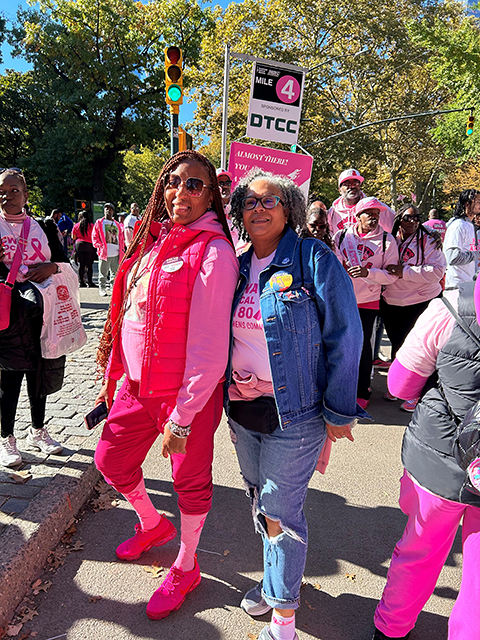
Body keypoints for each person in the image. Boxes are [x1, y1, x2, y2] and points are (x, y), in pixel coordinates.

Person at [94, 150, 238, 620]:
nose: (180, 191)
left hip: (184, 398)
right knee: (110, 459)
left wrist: (183, 416)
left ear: (211, 196)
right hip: (137, 388)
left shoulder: (214, 251)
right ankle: (152, 524)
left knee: (188, 484)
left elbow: (210, 345)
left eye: (194, 184)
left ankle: (186, 565)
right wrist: (113, 375)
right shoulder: (152, 242)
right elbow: (129, 315)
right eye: (173, 181)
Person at [226, 169, 366, 640]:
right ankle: (273, 584)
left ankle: (283, 616)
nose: (258, 209)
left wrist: (339, 409)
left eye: (269, 201)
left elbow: (346, 334)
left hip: (297, 412)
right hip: (243, 409)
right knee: (258, 499)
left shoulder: (313, 257)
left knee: (280, 511)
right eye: (249, 202)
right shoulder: (238, 266)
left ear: (289, 209)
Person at [372, 277, 480, 640]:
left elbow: (399, 385)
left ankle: (391, 629)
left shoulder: (451, 307)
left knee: (419, 550)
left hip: (441, 456)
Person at [0, 169, 67, 467]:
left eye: (14, 190)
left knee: (40, 374)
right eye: (2, 191)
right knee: (10, 376)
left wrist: (51, 267)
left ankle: (38, 431)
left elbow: (63, 263)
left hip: (44, 312)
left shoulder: (43, 227)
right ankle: (7, 438)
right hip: (9, 316)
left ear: (26, 195)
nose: (7, 196)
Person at [333, 196, 398, 408]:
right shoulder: (341, 236)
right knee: (340, 345)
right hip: (342, 298)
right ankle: (341, 387)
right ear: (357, 216)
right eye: (369, 214)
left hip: (367, 301)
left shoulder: (387, 240)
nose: (373, 217)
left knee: (362, 346)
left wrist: (367, 273)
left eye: (376, 214)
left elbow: (392, 276)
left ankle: (362, 390)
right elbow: (331, 264)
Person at [381, 203, 446, 410]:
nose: (414, 221)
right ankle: (398, 387)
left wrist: (405, 272)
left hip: (421, 301)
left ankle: (417, 394)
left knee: (420, 348)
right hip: (392, 301)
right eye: (408, 217)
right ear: (399, 219)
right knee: (397, 345)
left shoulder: (429, 239)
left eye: (417, 217)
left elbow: (437, 271)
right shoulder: (389, 237)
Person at [328, 168, 395, 235]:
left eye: (356, 183)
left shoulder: (374, 205)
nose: (352, 186)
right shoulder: (333, 212)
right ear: (340, 190)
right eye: (347, 184)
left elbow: (395, 225)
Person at [444, 189, 480, 289]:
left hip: (468, 284)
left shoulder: (469, 225)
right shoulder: (458, 226)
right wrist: (477, 254)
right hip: (456, 286)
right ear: (467, 204)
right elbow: (452, 258)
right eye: (478, 201)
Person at [91, 202, 125, 297]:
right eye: (106, 209)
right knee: (103, 273)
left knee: (115, 273)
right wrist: (100, 246)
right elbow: (94, 236)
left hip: (116, 253)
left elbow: (121, 237)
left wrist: (122, 249)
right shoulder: (99, 222)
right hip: (104, 253)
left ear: (113, 211)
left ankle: (113, 289)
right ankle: (102, 288)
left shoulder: (117, 224)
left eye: (110, 209)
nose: (108, 211)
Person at [72, 210, 97, 287]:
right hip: (89, 245)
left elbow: (73, 237)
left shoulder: (76, 226)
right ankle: (90, 282)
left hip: (79, 245)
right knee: (89, 265)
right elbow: (94, 236)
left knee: (81, 265)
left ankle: (81, 282)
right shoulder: (92, 226)